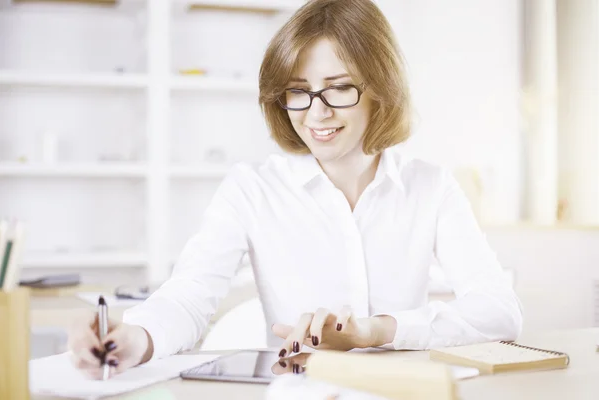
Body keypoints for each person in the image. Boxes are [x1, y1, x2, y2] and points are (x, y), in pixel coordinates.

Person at [67, 0, 523, 379]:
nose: (315, 113)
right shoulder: (252, 189)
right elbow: (188, 297)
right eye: (298, 91)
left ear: (381, 89)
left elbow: (499, 312)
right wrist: (136, 338)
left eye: (339, 88)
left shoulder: (430, 186)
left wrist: (375, 331)